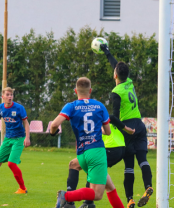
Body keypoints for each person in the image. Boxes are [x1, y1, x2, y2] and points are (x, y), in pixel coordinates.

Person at [51, 77, 125, 208]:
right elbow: (108, 132)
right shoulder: (99, 106)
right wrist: (99, 130)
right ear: (90, 90)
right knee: (97, 195)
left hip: (82, 154)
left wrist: (53, 132)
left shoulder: (71, 106)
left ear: (75, 91)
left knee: (110, 187)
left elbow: (55, 124)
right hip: (97, 152)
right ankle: (66, 197)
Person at [100, 44, 153, 208]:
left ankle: (130, 199)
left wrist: (122, 128)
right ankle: (148, 187)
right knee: (143, 160)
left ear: (115, 75)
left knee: (129, 165)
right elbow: (116, 65)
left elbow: (114, 117)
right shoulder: (129, 83)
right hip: (140, 124)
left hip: (128, 127)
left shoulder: (116, 92)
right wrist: (107, 52)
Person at [63, 115, 135, 208]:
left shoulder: (94, 117)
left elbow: (108, 125)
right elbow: (112, 118)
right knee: (109, 187)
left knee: (77, 165)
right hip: (120, 148)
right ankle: (87, 203)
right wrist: (127, 129)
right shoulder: (99, 116)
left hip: (110, 148)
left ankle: (69, 200)